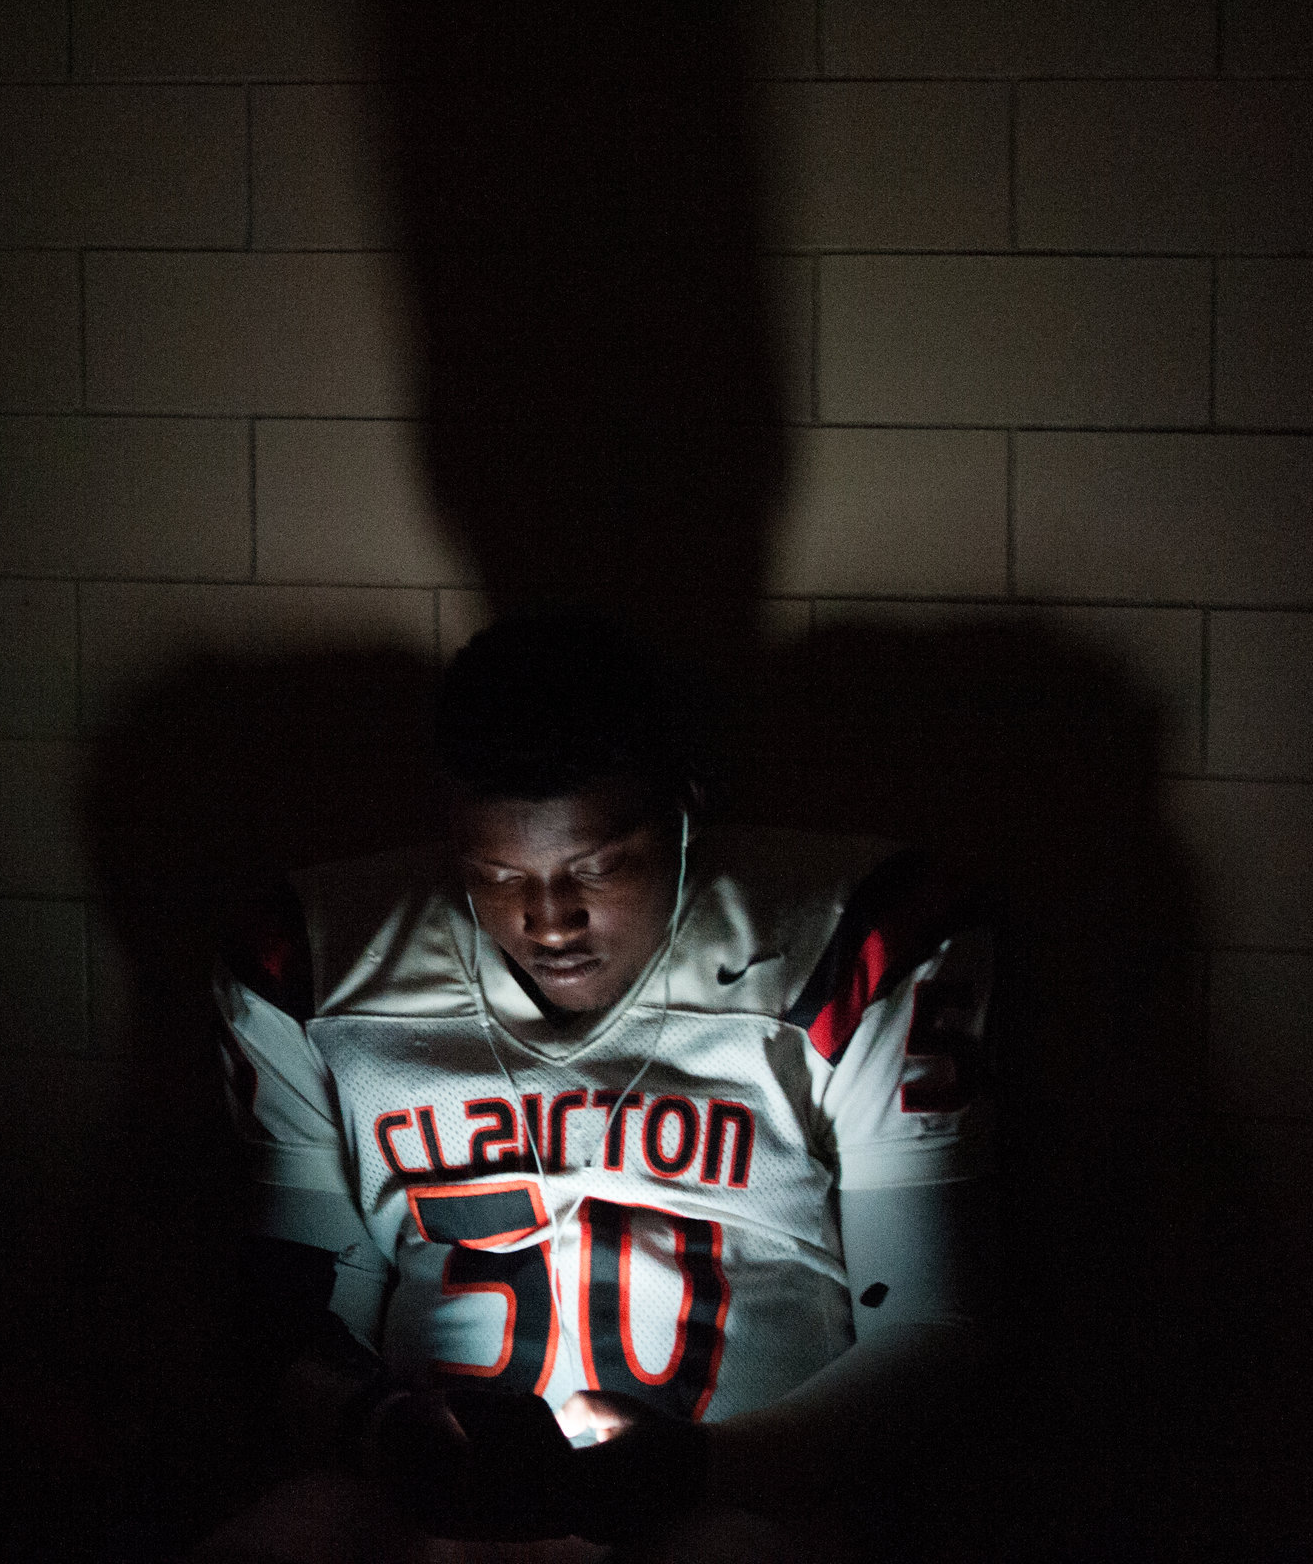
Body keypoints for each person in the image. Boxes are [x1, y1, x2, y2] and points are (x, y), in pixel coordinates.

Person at [200, 612, 995, 1562]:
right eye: (497, 874)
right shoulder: (319, 956)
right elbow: (298, 1316)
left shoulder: (844, 938)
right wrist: (379, 1432)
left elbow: (930, 1324)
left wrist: (700, 1468)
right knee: (301, 1532)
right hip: (441, 1508)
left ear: (688, 806)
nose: (549, 919)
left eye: (599, 867)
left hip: (737, 1497)